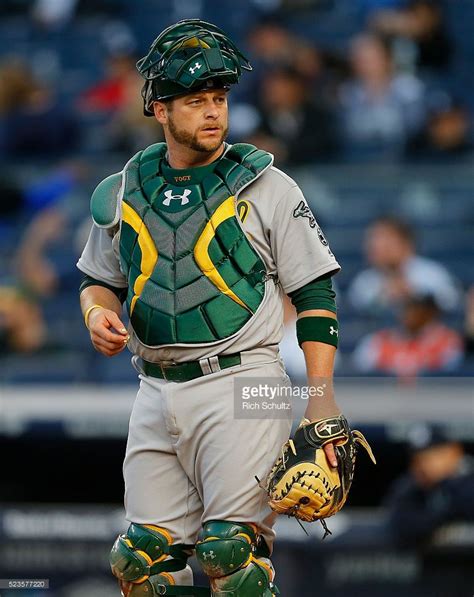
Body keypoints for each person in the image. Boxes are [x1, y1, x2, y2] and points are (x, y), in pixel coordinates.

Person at [77, 19, 344, 596]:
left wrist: (319, 403)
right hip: (154, 385)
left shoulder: (268, 185)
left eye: (219, 98)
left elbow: (317, 296)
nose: (212, 112)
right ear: (159, 108)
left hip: (250, 375)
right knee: (141, 565)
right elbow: (98, 281)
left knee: (231, 555)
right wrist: (96, 313)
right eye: (195, 100)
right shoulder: (126, 187)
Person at [348, 216, 461, 315]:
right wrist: (383, 295)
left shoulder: (430, 273)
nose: (376, 245)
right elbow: (359, 311)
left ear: (406, 242)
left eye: (385, 238)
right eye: (373, 239)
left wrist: (414, 294)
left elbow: (451, 302)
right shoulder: (365, 280)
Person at [384, 423, 474, 546]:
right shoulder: (414, 486)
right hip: (440, 562)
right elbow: (402, 524)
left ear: (454, 452)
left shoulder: (468, 480)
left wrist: (449, 488)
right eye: (419, 458)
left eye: (433, 455)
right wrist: (441, 514)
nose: (425, 464)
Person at [352, 294, 464, 378]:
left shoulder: (448, 341)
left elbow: (448, 373)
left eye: (416, 309)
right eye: (407, 309)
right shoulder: (378, 341)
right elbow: (363, 369)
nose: (410, 315)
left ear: (429, 313)